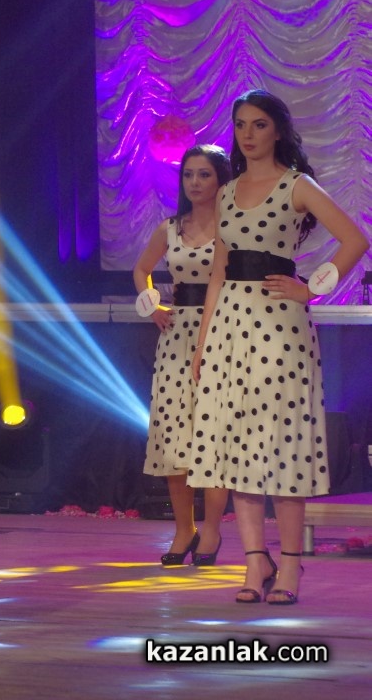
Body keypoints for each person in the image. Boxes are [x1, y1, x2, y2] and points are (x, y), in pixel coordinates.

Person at [191, 90, 368, 604]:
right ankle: (255, 562)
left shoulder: (297, 185)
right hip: (229, 326)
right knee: (236, 449)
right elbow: (219, 271)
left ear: (278, 131)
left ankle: (290, 565)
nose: (248, 134)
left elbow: (356, 239)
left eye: (259, 124)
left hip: (279, 327)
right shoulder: (226, 192)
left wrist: (312, 288)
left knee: (284, 447)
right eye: (240, 124)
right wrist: (203, 343)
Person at [133, 145, 232, 567]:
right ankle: (183, 529)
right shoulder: (170, 227)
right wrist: (153, 306)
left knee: (215, 433)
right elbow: (141, 269)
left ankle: (212, 529)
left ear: (221, 179)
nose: (194, 182)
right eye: (188, 174)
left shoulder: (235, 226)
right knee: (175, 434)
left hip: (224, 332)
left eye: (204, 174)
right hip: (177, 335)